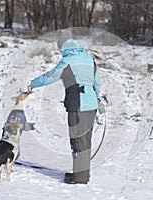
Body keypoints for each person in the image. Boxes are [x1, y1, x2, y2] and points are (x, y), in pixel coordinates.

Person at [27, 30, 101, 184]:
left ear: (62, 46)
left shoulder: (68, 59)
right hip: (92, 103)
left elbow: (52, 76)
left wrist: (33, 83)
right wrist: (96, 98)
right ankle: (81, 174)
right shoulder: (89, 59)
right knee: (86, 140)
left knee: (77, 140)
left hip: (77, 103)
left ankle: (80, 178)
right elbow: (97, 82)